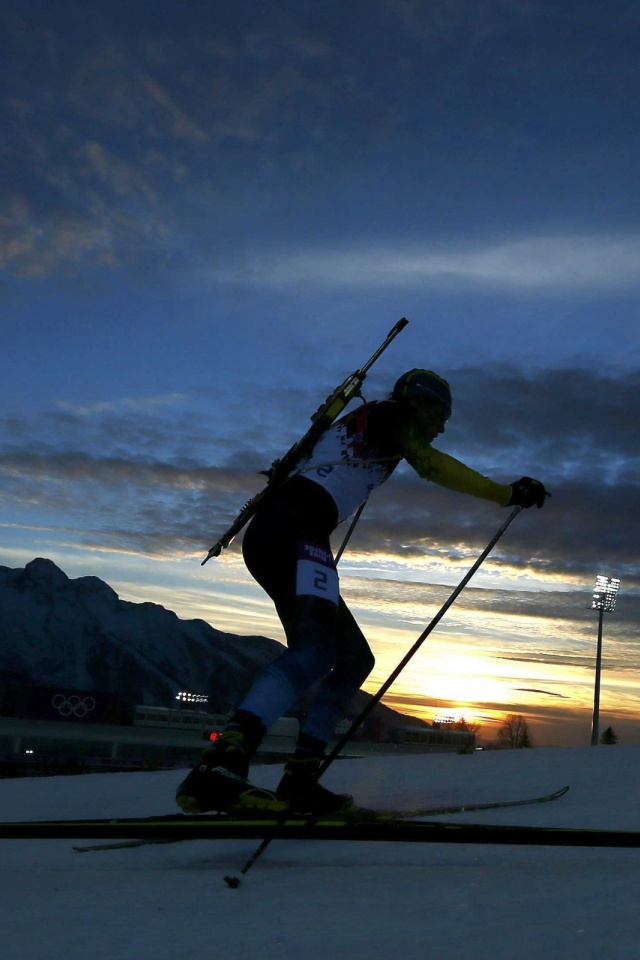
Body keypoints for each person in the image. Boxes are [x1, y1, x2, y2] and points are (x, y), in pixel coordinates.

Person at [176, 369, 548, 816]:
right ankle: (221, 765)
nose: (443, 425)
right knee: (315, 652)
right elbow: (429, 463)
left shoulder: (372, 418)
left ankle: (298, 779)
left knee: (353, 658)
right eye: (442, 414)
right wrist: (506, 494)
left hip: (288, 532)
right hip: (293, 530)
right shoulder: (391, 415)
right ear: (420, 403)